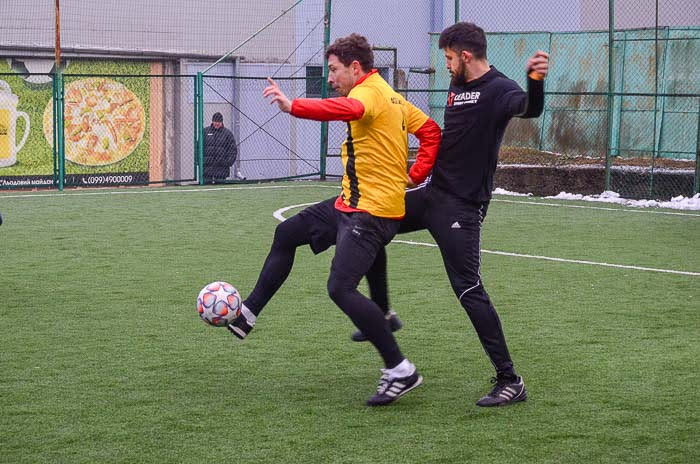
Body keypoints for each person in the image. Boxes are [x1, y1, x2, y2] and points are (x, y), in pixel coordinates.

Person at [226, 33, 442, 406]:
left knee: (340, 288)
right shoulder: (391, 95)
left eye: (334, 70)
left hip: (370, 212)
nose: (330, 77)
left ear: (355, 68)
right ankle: (248, 313)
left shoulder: (369, 95)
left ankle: (399, 369)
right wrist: (414, 175)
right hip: (352, 203)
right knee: (287, 233)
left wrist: (293, 106)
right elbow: (431, 132)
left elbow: (347, 110)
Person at [352, 22, 549, 407]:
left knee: (469, 290)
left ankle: (511, 380)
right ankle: (382, 311)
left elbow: (531, 108)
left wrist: (535, 80)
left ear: (465, 56)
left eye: (447, 58)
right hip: (433, 195)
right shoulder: (459, 85)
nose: (445, 65)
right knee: (373, 219)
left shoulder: (500, 89)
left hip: (461, 207)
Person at [203, 112, 240, 183]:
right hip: (207, 167)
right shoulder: (205, 132)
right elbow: (199, 148)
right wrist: (201, 161)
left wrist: (228, 162)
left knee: (220, 186)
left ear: (222, 122)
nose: (217, 123)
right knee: (206, 186)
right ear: (212, 121)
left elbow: (232, 150)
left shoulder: (227, 134)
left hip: (222, 168)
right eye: (215, 121)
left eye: (219, 122)